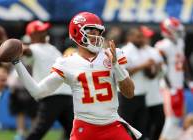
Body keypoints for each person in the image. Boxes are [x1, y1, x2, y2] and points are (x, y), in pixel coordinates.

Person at [9, 12, 142, 140]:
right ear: (77, 33)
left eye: (98, 33)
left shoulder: (114, 55)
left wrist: (116, 66)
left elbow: (129, 93)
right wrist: (17, 63)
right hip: (85, 128)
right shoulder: (67, 62)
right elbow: (37, 92)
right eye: (92, 33)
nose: (97, 37)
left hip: (112, 124)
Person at [22, 20, 73, 140]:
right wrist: (12, 45)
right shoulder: (33, 48)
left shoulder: (52, 48)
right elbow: (26, 51)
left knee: (73, 131)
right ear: (32, 35)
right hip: (51, 95)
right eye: (40, 31)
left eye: (44, 29)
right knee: (39, 131)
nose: (44, 32)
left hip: (67, 94)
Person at [119, 27, 156, 140]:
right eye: (138, 36)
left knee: (140, 130)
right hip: (127, 97)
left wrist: (152, 68)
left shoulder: (143, 51)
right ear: (130, 37)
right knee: (124, 128)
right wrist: (144, 65)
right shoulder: (125, 51)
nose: (141, 39)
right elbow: (123, 73)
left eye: (141, 37)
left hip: (141, 95)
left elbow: (149, 75)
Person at [155, 17, 186, 140]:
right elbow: (162, 69)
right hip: (168, 87)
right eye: (175, 30)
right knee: (171, 119)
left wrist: (188, 81)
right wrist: (170, 87)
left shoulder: (180, 42)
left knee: (179, 118)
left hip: (178, 84)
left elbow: (183, 63)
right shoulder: (162, 45)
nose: (178, 33)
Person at [140, 26, 165, 140]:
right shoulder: (131, 51)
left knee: (160, 122)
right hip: (140, 95)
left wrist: (159, 68)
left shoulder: (154, 51)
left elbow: (163, 72)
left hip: (155, 95)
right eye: (145, 36)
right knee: (143, 127)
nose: (147, 38)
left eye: (148, 36)